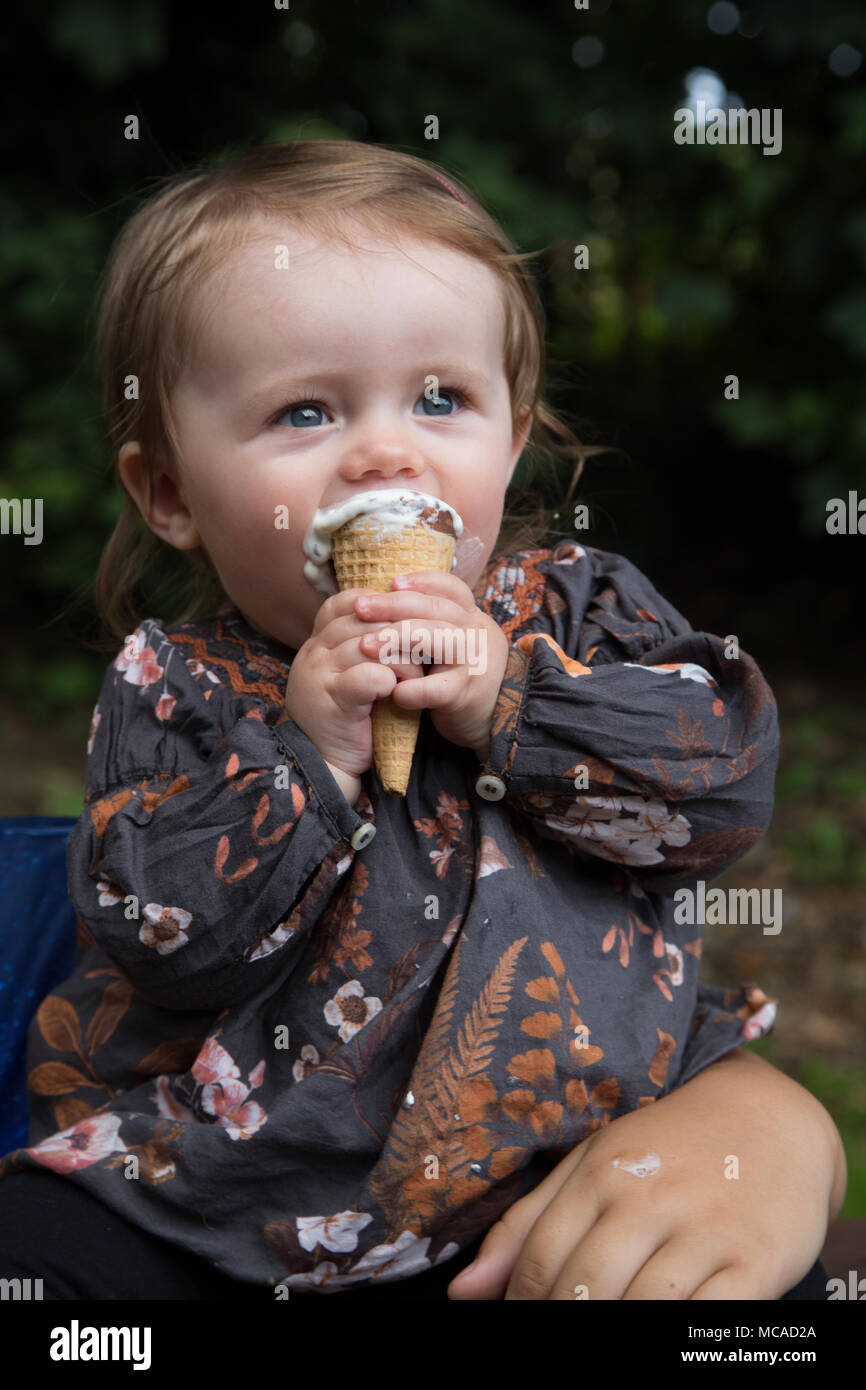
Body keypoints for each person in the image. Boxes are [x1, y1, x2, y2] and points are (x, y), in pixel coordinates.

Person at [0, 141, 845, 1301]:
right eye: (304, 410)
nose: (387, 449)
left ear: (509, 434)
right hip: (223, 1205)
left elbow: (718, 794)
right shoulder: (175, 687)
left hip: (550, 1191)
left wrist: (514, 700)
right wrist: (305, 758)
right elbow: (160, 943)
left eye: (441, 397)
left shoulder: (581, 616)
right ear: (172, 493)